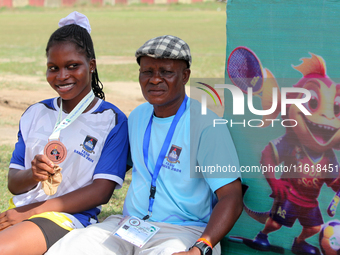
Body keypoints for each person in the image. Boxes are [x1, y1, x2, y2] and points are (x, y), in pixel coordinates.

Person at [47, 35, 242, 255]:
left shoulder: (206, 125)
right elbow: (112, 168)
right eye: (147, 72)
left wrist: (201, 247)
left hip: (182, 232)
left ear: (185, 76)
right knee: (71, 247)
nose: (155, 80)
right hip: (130, 226)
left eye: (166, 72)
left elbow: (231, 197)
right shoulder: (138, 116)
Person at [0, 11, 128, 255]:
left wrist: (30, 212)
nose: (62, 76)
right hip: (20, 210)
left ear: (91, 65)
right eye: (53, 68)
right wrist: (33, 174)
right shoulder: (35, 113)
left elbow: (101, 191)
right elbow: (14, 184)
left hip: (66, 217)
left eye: (73, 66)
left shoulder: (112, 120)